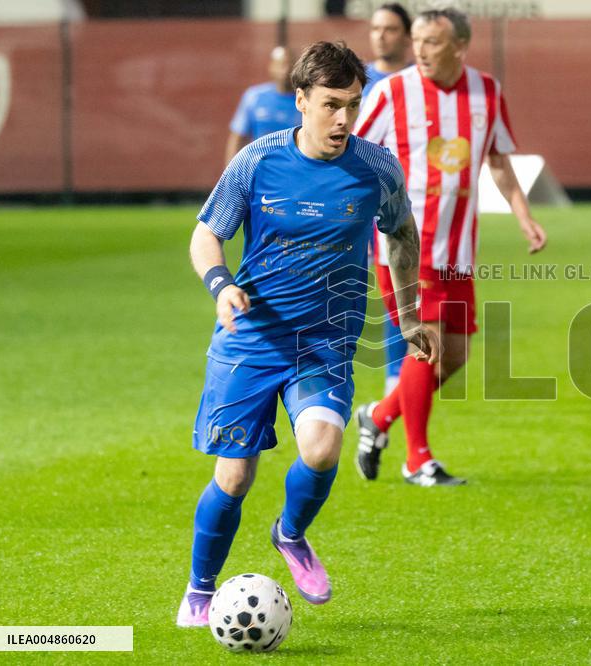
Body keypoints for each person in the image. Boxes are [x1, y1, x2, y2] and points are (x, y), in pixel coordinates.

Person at [176, 41, 436, 627]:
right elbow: (204, 236)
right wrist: (221, 286)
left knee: (320, 451)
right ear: (300, 101)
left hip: (323, 343)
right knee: (234, 475)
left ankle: (290, 534)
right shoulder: (256, 162)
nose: (343, 119)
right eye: (330, 105)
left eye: (352, 104)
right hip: (252, 338)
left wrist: (411, 314)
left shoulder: (375, 168)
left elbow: (402, 237)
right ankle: (199, 588)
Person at [353, 8, 547, 487]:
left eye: (432, 42)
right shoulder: (392, 93)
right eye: (416, 39)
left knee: (455, 356)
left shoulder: (486, 91)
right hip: (408, 249)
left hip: (458, 251)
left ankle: (378, 417)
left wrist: (523, 214)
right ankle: (418, 459)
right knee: (428, 347)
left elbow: (499, 160)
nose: (420, 49)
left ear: (460, 46)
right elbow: (355, 154)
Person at [362, 2, 413, 395]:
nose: (381, 35)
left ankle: (397, 383)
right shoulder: (356, 83)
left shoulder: (419, 85)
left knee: (407, 291)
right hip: (364, 207)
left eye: (390, 28)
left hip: (414, 207)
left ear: (407, 36)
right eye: (376, 27)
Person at [225, 46, 298, 164]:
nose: (285, 70)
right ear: (271, 67)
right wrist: (229, 171)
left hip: (293, 169)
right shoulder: (254, 97)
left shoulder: (305, 100)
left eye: (290, 65)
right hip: (260, 168)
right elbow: (237, 137)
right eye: (281, 65)